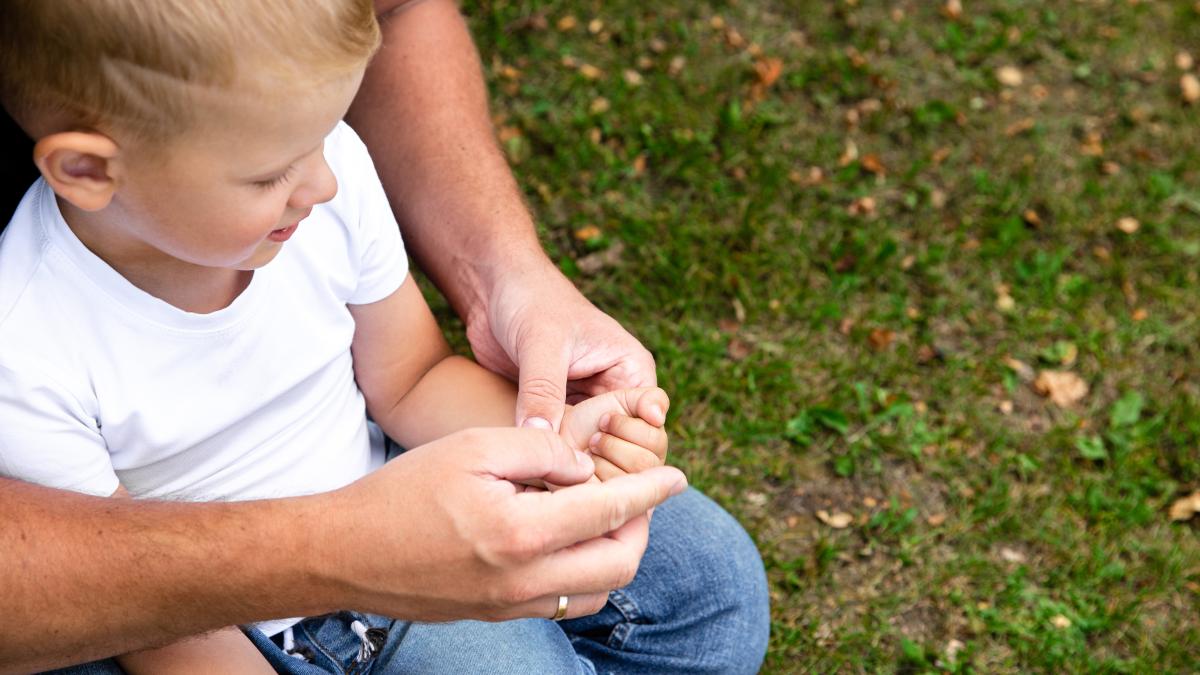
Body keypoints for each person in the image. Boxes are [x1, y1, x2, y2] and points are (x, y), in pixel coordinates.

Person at [0, 1, 770, 673]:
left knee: (715, 590)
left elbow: (412, 377)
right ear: (87, 170)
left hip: (406, 495)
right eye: (269, 174)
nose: (324, 183)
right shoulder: (28, 347)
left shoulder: (320, 179)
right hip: (237, 621)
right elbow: (153, 619)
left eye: (324, 136)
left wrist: (562, 447)